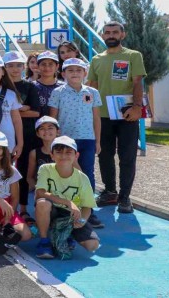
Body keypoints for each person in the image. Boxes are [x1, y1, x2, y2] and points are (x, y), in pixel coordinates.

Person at [87, 21, 146, 214]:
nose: (110, 35)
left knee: (127, 156)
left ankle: (125, 197)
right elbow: (92, 86)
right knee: (104, 155)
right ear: (103, 35)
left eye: (115, 32)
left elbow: (137, 83)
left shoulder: (133, 56)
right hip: (102, 116)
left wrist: (137, 107)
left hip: (127, 115)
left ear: (122, 35)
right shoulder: (96, 59)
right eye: (107, 32)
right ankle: (110, 192)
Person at [48, 58, 103, 228]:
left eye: (79, 70)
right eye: (70, 70)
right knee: (66, 173)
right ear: (63, 73)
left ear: (85, 73)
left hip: (87, 139)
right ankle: (65, 209)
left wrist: (98, 141)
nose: (75, 73)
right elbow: (53, 118)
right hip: (66, 141)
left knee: (87, 174)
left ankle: (89, 210)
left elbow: (96, 118)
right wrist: (53, 140)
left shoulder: (92, 92)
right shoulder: (58, 92)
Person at [35, 136, 100, 259]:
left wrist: (81, 222)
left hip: (71, 216)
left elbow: (87, 206)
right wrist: (68, 203)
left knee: (92, 245)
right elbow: (40, 192)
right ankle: (44, 241)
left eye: (68, 152)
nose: (63, 156)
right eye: (59, 152)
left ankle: (66, 234)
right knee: (43, 203)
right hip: (52, 210)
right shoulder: (45, 169)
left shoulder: (82, 178)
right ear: (52, 155)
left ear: (76, 156)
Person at [2, 51, 41, 219]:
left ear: (24, 67)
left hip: (26, 134)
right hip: (4, 134)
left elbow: (36, 112)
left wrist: (11, 111)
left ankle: (23, 209)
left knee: (23, 172)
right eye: (10, 65)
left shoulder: (30, 86)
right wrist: (21, 109)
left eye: (18, 65)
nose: (15, 69)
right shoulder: (0, 86)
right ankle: (4, 207)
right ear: (4, 68)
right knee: (2, 171)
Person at [27, 117, 61, 196]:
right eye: (42, 128)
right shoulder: (34, 153)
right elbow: (29, 178)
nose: (46, 131)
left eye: (50, 128)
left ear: (58, 132)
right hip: (42, 192)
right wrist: (39, 190)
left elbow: (78, 174)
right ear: (37, 133)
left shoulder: (66, 152)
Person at [33, 51, 64, 117]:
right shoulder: (31, 86)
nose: (47, 68)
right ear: (38, 66)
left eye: (51, 64)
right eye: (43, 64)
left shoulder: (64, 87)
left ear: (57, 66)